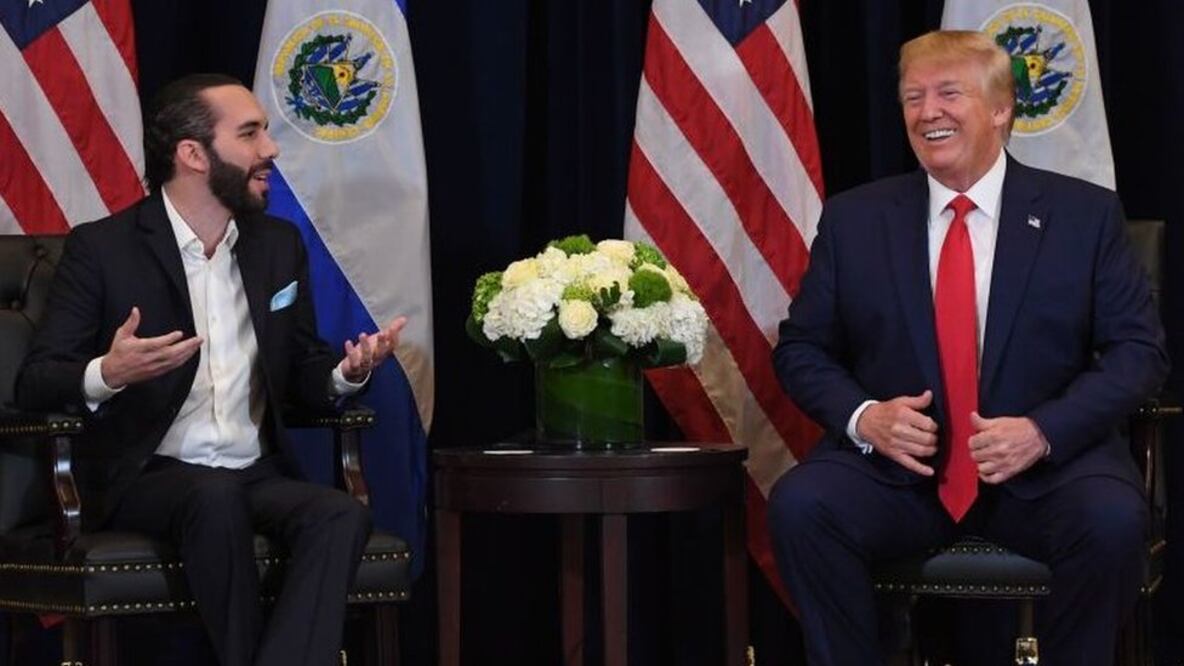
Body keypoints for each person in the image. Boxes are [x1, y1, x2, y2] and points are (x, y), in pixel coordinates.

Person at [768, 30, 1168, 665]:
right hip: (899, 476)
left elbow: (1138, 353)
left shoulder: (1083, 215)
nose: (928, 112)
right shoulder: (855, 219)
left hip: (1046, 473)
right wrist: (865, 417)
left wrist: (1043, 430)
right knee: (802, 506)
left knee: (1113, 521)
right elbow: (802, 349)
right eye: (913, 97)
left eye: (948, 93)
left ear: (1002, 108)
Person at [16, 73, 407, 666]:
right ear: (193, 154)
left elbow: (302, 364)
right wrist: (109, 372)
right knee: (213, 497)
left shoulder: (277, 245)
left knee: (338, 514)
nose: (270, 150)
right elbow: (37, 379)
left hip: (255, 469)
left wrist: (344, 375)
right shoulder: (103, 248)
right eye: (250, 134)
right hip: (146, 475)